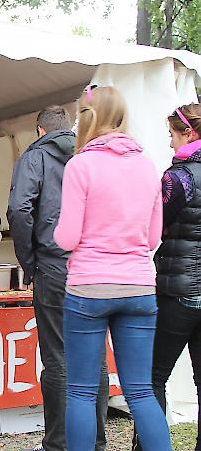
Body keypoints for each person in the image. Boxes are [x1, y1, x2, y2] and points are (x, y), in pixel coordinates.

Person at [54, 85, 171, 451]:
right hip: (138, 288)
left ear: (88, 119)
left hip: (89, 289)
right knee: (140, 392)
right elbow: (153, 238)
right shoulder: (147, 165)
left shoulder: (80, 165)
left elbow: (67, 238)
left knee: (82, 393)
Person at [7, 106, 108, 451]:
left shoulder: (35, 157)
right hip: (95, 267)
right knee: (95, 359)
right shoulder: (92, 154)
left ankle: (59, 444)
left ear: (39, 130)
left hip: (54, 266)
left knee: (58, 359)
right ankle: (95, 442)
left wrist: (28, 262)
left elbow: (19, 209)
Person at [133, 103, 201, 451]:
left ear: (188, 133)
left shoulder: (178, 177)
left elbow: (154, 226)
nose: (170, 145)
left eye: (172, 136)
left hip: (179, 290)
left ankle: (149, 446)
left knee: (152, 377)